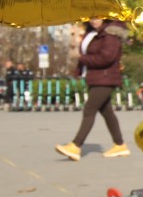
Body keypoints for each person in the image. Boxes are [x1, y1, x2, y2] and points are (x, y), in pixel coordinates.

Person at [55, 19, 130, 160]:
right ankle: (120, 145)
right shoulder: (94, 33)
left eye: (97, 17)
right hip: (96, 77)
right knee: (107, 112)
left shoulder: (110, 34)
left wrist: (83, 58)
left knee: (89, 109)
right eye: (91, 17)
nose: (94, 20)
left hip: (106, 78)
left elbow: (107, 57)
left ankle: (76, 146)